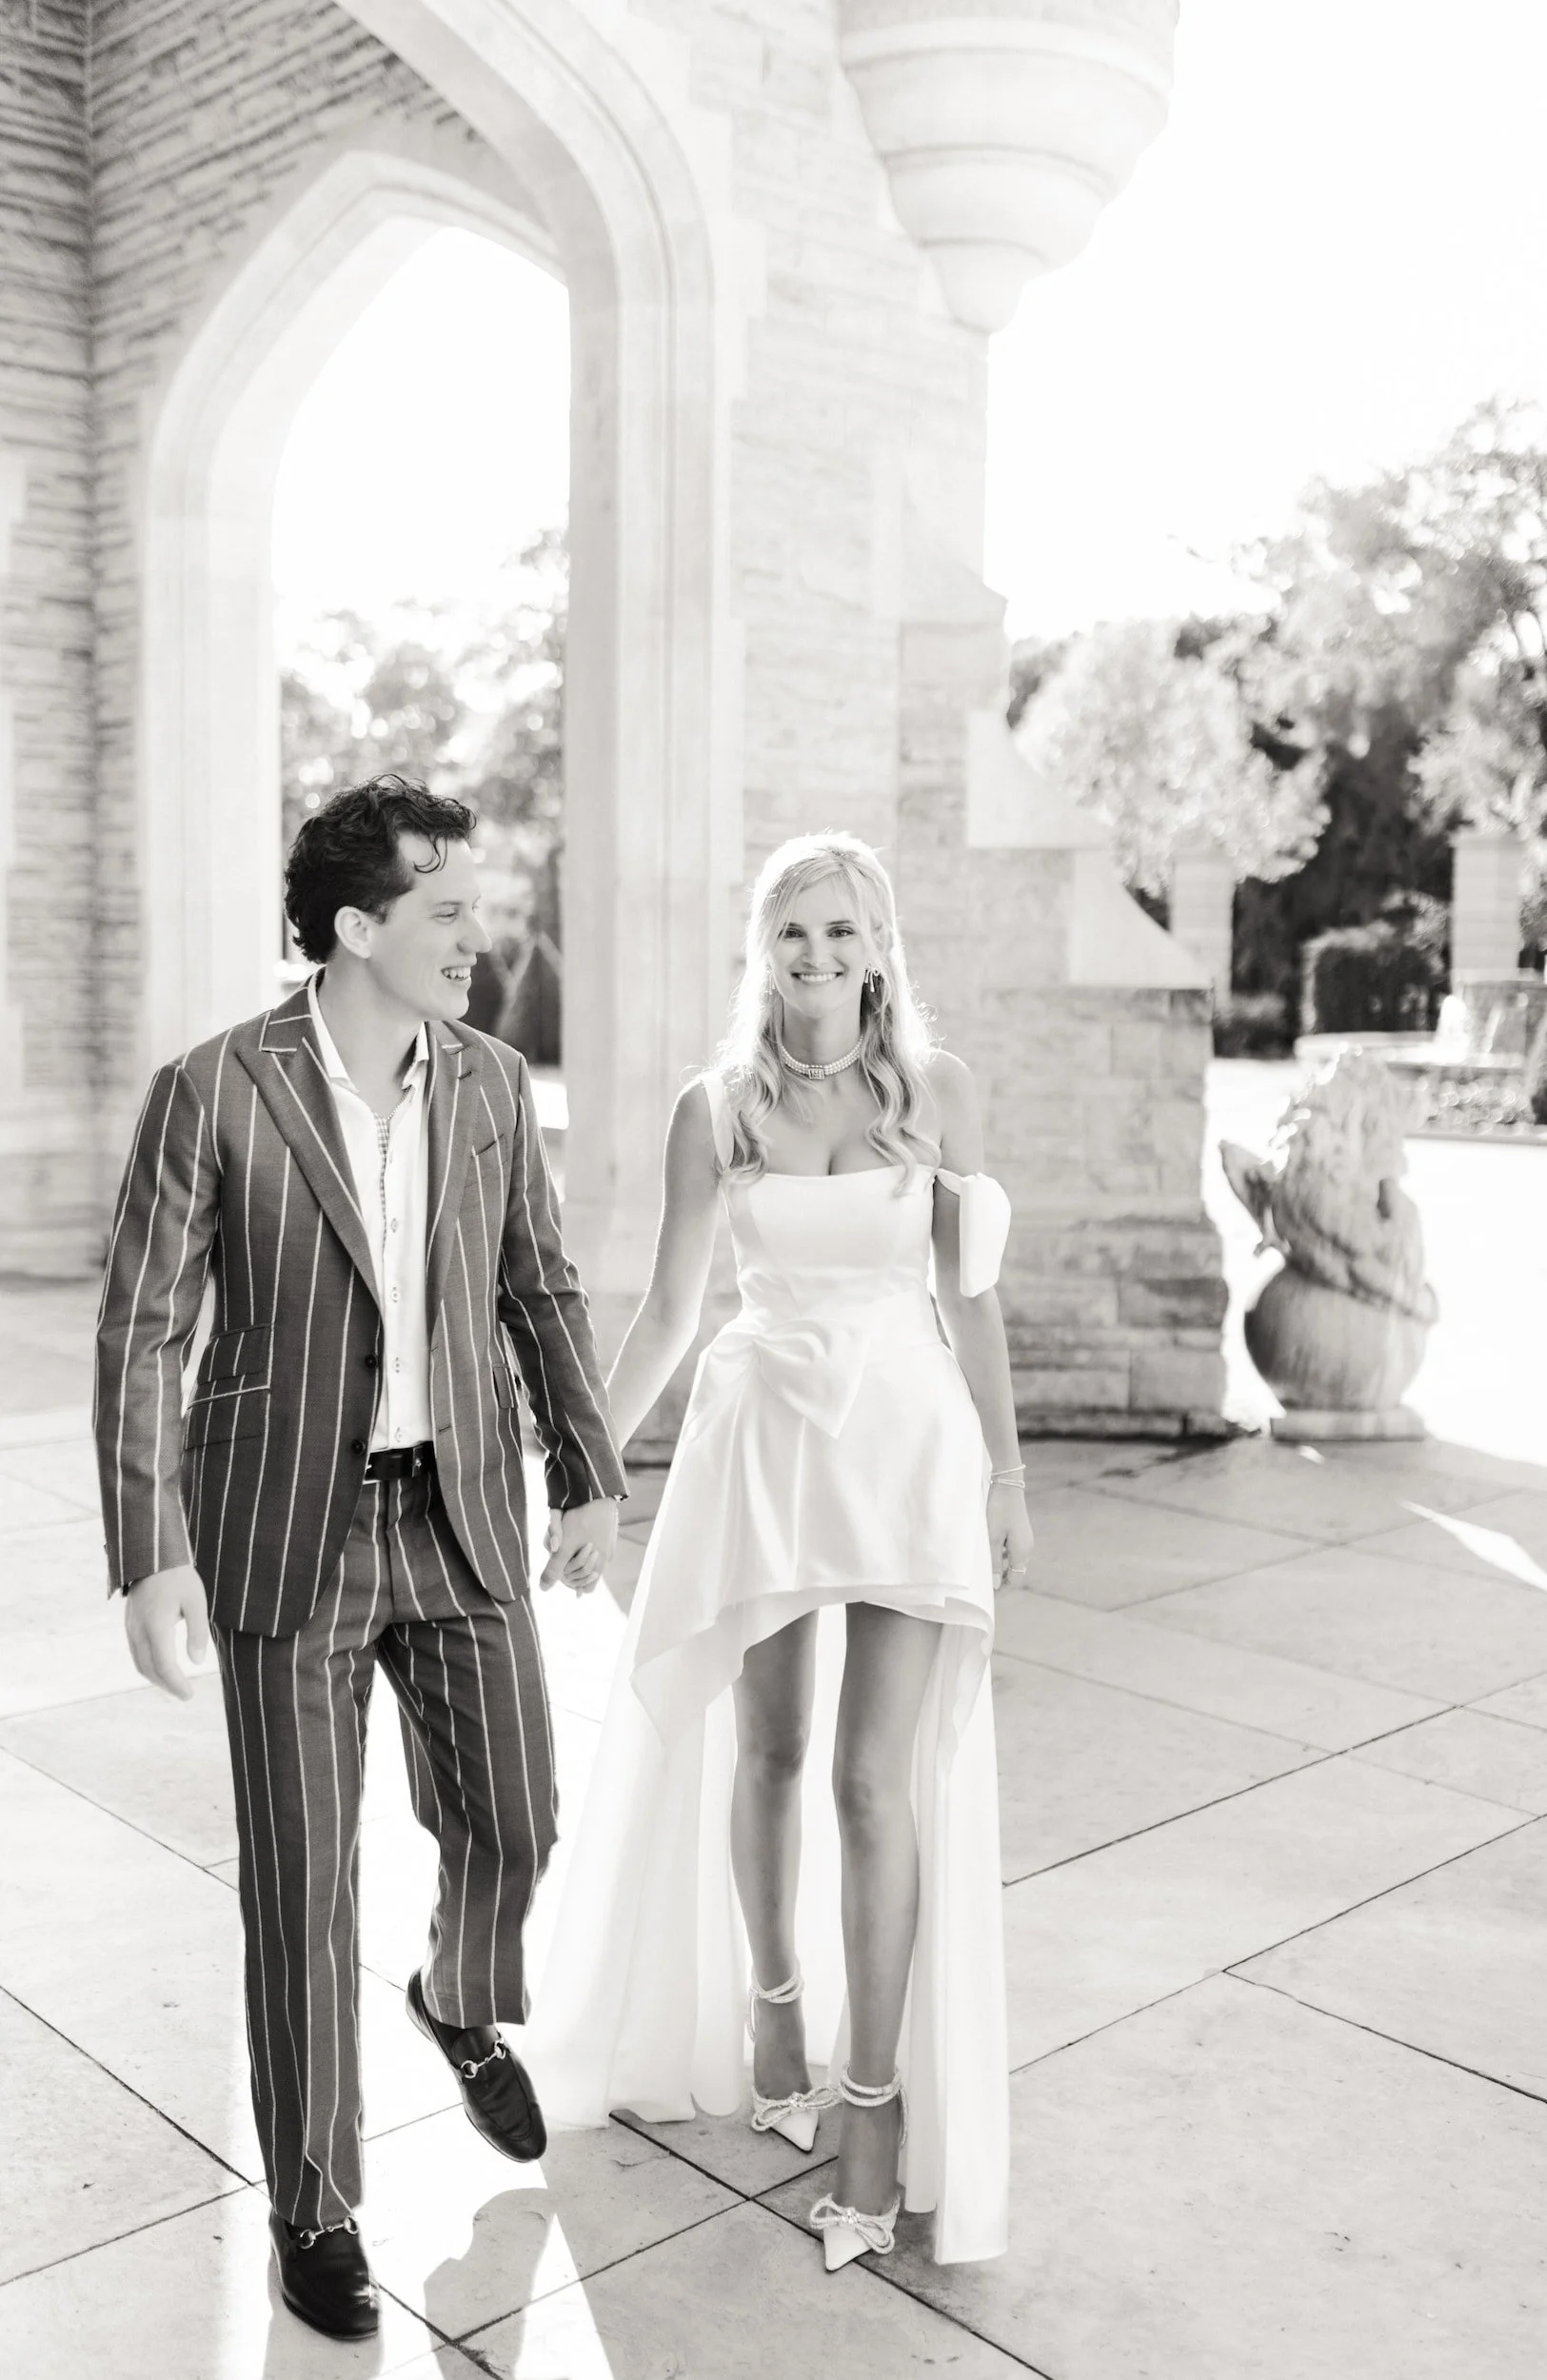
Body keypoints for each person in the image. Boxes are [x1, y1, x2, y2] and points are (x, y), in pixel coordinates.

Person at [94, 777, 625, 2342]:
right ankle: (313, 2207)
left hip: (454, 1513)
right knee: (301, 1895)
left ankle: (458, 1997)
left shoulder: (487, 1081)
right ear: (354, 927)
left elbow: (539, 1286)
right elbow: (143, 1328)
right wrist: (149, 1550)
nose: (479, 936)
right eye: (447, 912)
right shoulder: (214, 1090)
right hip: (283, 1534)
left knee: (517, 1812)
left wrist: (585, 1470)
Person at [531, 829, 1029, 2268]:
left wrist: (1003, 1472)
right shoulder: (718, 1109)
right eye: (792, 934)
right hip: (760, 1439)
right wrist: (588, 1464)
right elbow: (671, 1310)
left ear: (879, 948)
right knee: (769, 1755)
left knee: (879, 1786)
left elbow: (972, 1300)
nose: (816, 957)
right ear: (766, 951)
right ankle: (770, 2006)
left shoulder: (938, 1097)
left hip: (907, 1447)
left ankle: (872, 2114)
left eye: (840, 932)